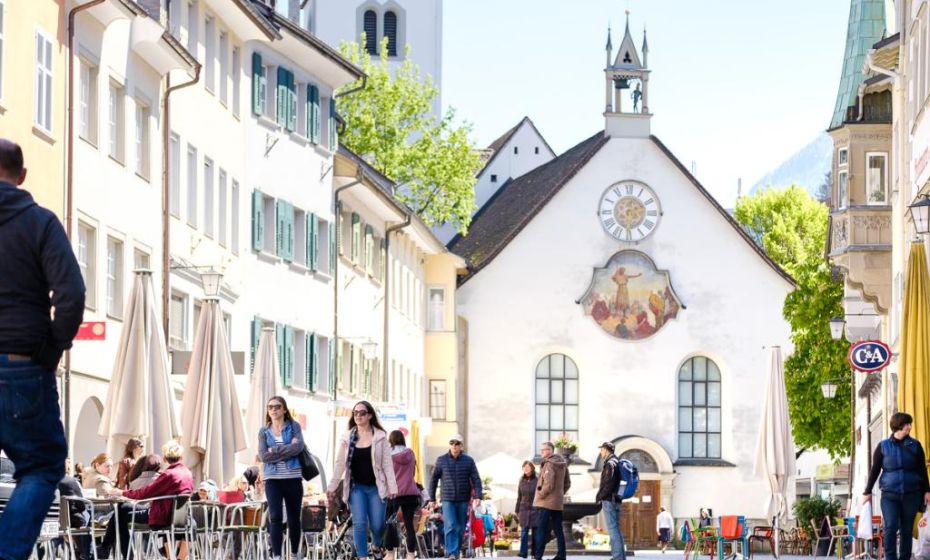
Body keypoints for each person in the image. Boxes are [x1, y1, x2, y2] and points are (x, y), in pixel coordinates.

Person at [0, 138, 85, 560]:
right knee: (42, 466)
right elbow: (71, 293)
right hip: (22, 365)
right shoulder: (40, 223)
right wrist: (53, 348)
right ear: (23, 175)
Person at [97, 441, 194, 559]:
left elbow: (145, 493)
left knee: (120, 512)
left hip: (161, 516)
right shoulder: (188, 473)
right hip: (177, 516)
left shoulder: (169, 475)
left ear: (164, 458)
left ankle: (114, 550)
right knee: (122, 508)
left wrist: (122, 492)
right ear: (181, 457)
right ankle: (109, 548)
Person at [328, 401, 398, 560]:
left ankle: (375, 545)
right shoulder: (347, 438)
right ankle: (362, 557)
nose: (358, 415)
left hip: (376, 487)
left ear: (370, 415)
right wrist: (332, 486)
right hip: (355, 487)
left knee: (378, 525)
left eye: (362, 413)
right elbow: (340, 464)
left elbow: (387, 464)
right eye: (355, 413)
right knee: (359, 523)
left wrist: (392, 487)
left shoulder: (380, 437)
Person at [863, 411, 930, 560]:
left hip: (911, 495)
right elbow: (874, 470)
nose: (910, 427)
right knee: (891, 526)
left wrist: (927, 491)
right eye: (907, 424)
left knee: (906, 530)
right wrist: (867, 491)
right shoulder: (883, 446)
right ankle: (890, 557)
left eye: (910, 424)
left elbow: (922, 470)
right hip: (889, 495)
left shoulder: (915, 445)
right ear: (898, 425)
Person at [259, 396, 307, 560]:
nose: (273, 409)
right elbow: (264, 456)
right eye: (270, 407)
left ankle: (294, 553)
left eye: (277, 406)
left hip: (293, 477)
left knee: (294, 517)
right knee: (275, 516)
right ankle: (277, 556)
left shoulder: (294, 427)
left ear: (284, 409)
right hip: (272, 479)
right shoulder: (263, 431)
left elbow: (298, 447)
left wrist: (275, 450)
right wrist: (287, 448)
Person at [428, 434, 482, 560]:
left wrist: (478, 496)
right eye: (452, 443)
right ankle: (452, 553)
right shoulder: (441, 460)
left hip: (463, 499)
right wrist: (432, 498)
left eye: (457, 443)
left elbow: (476, 479)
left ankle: (455, 552)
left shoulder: (469, 461)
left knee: (460, 527)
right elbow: (433, 479)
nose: (454, 446)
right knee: (450, 524)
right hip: (447, 499)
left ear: (461, 446)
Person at [384, 430, 419, 560]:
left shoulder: (388, 455)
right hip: (410, 492)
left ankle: (390, 553)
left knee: (389, 522)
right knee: (409, 525)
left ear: (391, 440)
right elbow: (413, 472)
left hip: (394, 494)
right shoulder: (411, 453)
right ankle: (410, 554)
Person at [533, 441, 570, 560]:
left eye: (544, 450)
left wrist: (541, 493)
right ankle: (561, 555)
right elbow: (568, 483)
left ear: (550, 451)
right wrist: (558, 494)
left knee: (541, 529)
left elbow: (548, 484)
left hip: (546, 502)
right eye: (541, 450)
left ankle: (538, 556)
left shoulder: (549, 464)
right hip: (557, 502)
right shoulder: (563, 464)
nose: (542, 452)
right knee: (558, 529)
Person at [58, 458, 91, 560]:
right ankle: (87, 554)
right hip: (74, 521)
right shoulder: (70, 481)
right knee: (88, 518)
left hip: (55, 523)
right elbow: (82, 505)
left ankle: (78, 552)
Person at [516, 461, 538, 559]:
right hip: (524, 509)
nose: (526, 469)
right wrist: (517, 510)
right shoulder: (521, 480)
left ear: (532, 469)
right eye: (524, 467)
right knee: (524, 531)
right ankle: (523, 552)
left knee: (535, 532)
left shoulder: (537, 480)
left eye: (528, 467)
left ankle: (534, 553)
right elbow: (519, 496)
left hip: (535, 508)